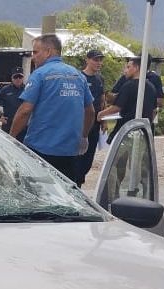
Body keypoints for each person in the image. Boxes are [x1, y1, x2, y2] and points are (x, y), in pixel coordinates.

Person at [7, 34, 94, 180]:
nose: (33, 57)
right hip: (69, 152)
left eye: (36, 52)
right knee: (66, 195)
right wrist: (84, 136)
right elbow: (90, 111)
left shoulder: (40, 74)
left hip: (41, 150)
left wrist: (11, 137)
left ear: (48, 52)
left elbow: (25, 110)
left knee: (38, 195)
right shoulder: (78, 76)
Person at [95, 58, 158, 139]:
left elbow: (116, 107)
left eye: (128, 67)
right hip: (144, 131)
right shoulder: (151, 87)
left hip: (127, 129)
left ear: (136, 68)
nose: (125, 71)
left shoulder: (128, 86)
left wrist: (101, 114)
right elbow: (154, 111)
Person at [72, 49, 107, 186]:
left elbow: (102, 99)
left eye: (100, 60)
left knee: (88, 157)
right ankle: (75, 182)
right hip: (81, 123)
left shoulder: (100, 79)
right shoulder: (79, 77)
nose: (98, 63)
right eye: (95, 60)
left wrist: (103, 119)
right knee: (77, 155)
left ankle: (80, 181)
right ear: (87, 60)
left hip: (95, 124)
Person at [0, 70, 27, 137]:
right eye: (15, 77)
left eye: (20, 77)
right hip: (8, 124)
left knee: (23, 147)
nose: (18, 79)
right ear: (12, 78)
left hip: (23, 125)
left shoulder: (28, 90)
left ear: (23, 78)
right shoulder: (6, 90)